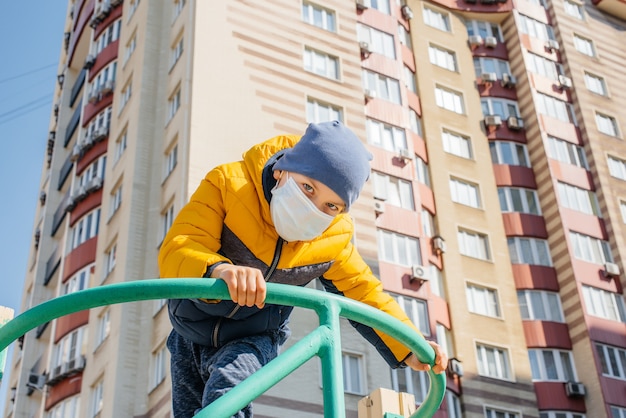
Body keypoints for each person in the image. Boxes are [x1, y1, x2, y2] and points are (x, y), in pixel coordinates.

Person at [158, 120, 448, 417]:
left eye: (331, 206)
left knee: (227, 394)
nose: (313, 208)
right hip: (190, 327)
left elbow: (364, 292)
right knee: (189, 411)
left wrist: (410, 345)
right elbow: (181, 244)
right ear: (281, 170)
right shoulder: (229, 185)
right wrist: (219, 269)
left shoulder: (332, 239)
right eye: (308, 188)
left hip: (255, 334)